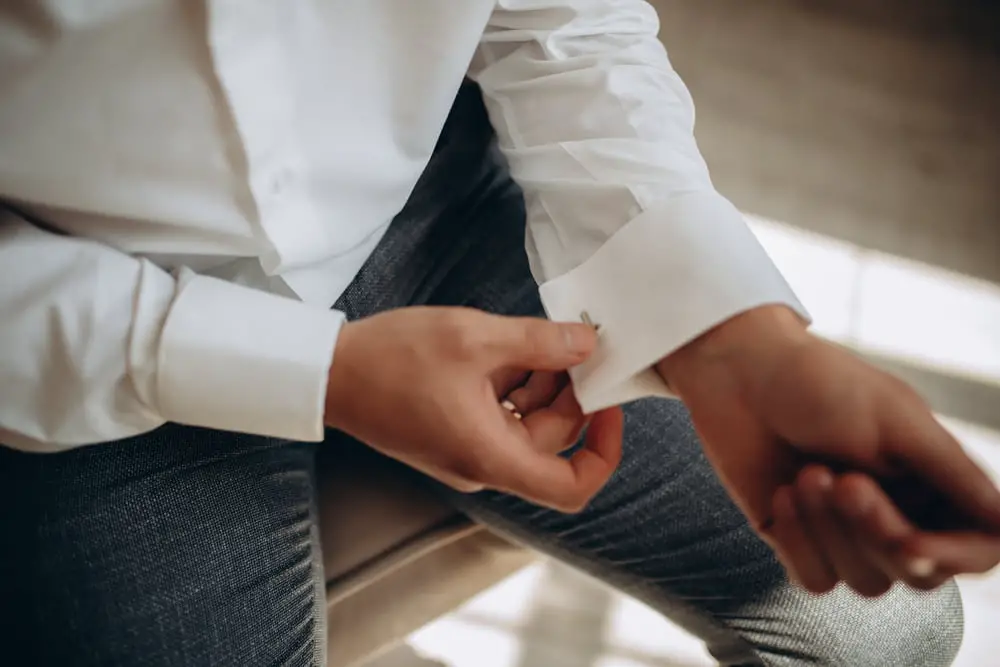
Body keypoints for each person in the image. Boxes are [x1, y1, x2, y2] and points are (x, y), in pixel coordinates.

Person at [1, 2, 998, 665]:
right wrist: (317, 373)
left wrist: (733, 337)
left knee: (887, 631)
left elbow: (558, 15)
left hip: (418, 190)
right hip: (69, 331)